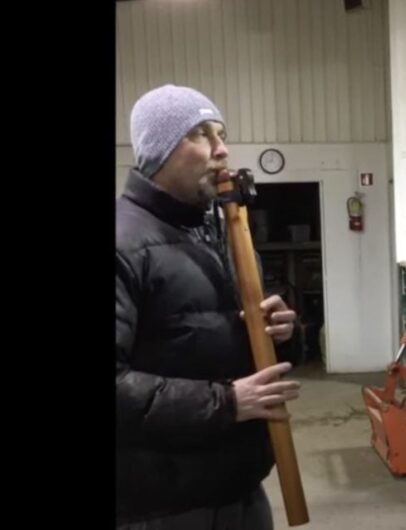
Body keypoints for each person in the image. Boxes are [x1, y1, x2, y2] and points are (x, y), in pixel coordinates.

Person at [116, 84, 301, 529]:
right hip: (161, 507)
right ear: (158, 152)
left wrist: (278, 332)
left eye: (221, 133)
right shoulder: (124, 244)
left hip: (238, 491)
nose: (222, 150)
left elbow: (205, 339)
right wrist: (226, 403)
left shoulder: (219, 233)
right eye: (200, 134)